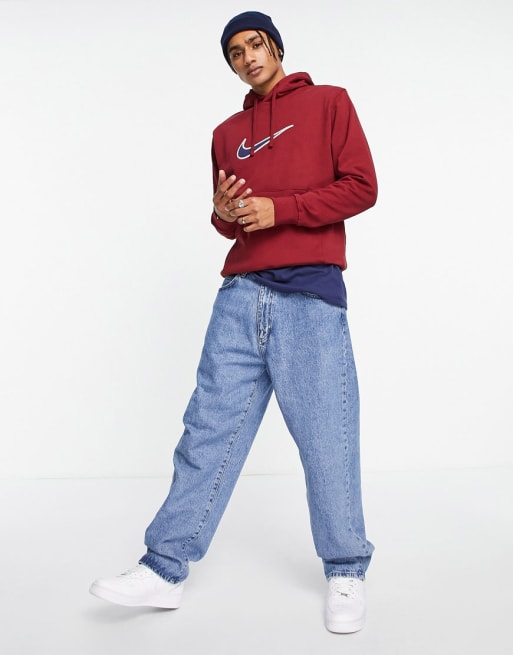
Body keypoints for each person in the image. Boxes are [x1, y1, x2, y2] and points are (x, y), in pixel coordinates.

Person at [89, 11, 377, 634]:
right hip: (240, 296)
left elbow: (362, 187)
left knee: (327, 439)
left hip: (310, 296)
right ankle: (164, 570)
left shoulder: (330, 103)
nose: (247, 58)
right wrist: (222, 213)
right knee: (206, 434)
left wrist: (283, 209)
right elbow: (232, 222)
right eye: (234, 53)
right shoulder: (226, 133)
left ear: (275, 46)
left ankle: (346, 567)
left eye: (254, 44)